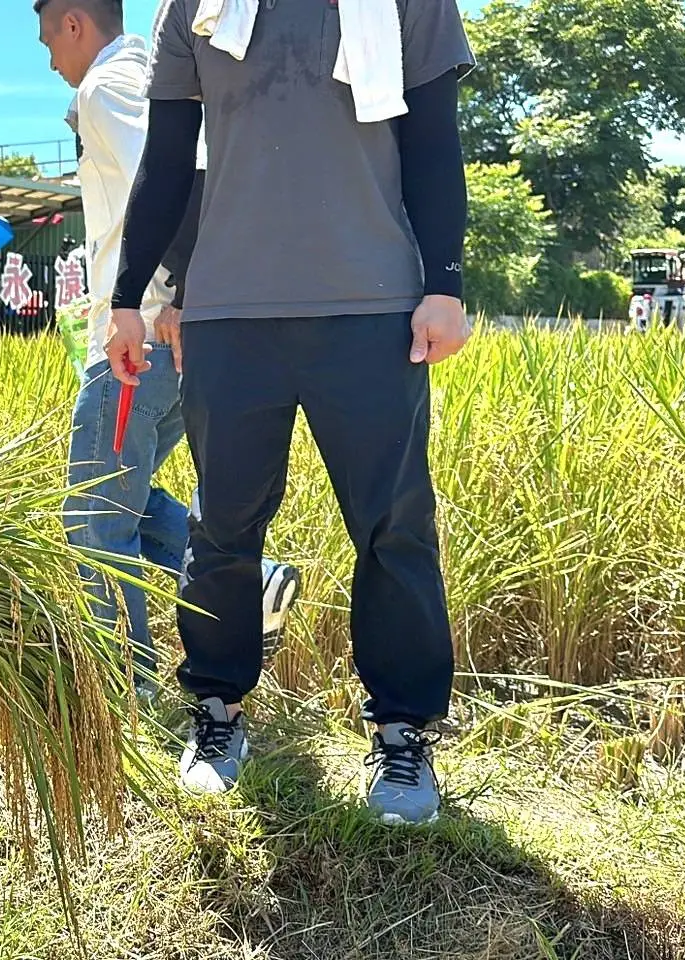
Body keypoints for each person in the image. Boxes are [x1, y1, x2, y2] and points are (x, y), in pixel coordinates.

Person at [108, 0, 474, 825]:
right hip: (229, 307)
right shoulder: (197, 8)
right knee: (223, 525)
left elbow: (433, 139)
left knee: (393, 524)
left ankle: (403, 733)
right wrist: (132, 296)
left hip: (374, 303)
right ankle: (215, 716)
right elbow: (167, 158)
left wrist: (444, 282)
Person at [37, 0, 299, 697]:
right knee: (126, 498)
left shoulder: (109, 84)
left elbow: (181, 175)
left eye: (47, 41)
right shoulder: (142, 76)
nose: (49, 60)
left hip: (140, 343)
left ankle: (129, 691)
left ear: (73, 22)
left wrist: (182, 291)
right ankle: (255, 577)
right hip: (165, 337)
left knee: (94, 517)